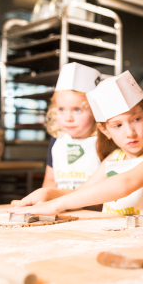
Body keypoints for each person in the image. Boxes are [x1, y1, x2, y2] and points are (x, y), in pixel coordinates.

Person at [9, 71, 143, 219]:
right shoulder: (115, 157)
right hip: (120, 238)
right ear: (105, 131)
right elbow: (80, 194)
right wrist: (47, 193)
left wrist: (55, 205)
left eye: (136, 119)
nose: (130, 133)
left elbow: (125, 183)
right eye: (117, 125)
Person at [42, 62, 101, 190]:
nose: (68, 118)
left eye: (77, 110)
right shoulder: (57, 140)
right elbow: (50, 181)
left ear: (95, 112)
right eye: (61, 109)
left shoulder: (102, 141)